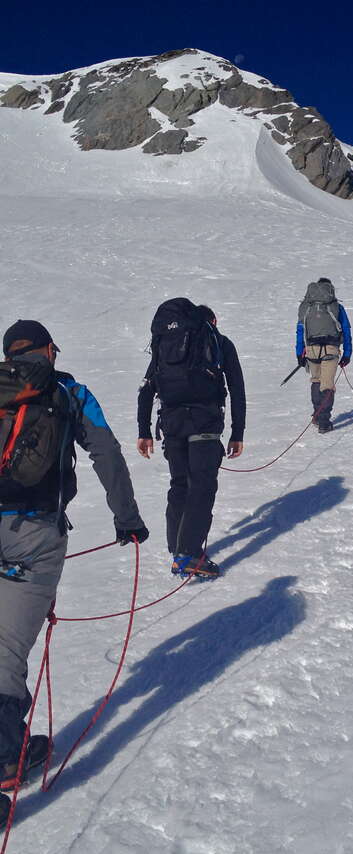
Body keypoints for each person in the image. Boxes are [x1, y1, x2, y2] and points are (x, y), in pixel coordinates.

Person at [0, 319, 147, 825]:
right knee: (7, 649)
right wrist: (126, 517)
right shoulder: (69, 391)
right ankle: (4, 758)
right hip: (35, 536)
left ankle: (8, 748)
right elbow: (105, 451)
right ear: (47, 351)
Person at [137, 299, 245, 579]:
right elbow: (237, 388)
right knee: (202, 486)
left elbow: (147, 388)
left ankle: (178, 549)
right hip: (204, 422)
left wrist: (144, 430)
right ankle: (188, 555)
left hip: (172, 423)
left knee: (180, 484)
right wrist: (238, 433)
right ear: (211, 322)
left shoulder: (167, 345)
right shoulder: (220, 342)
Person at [296, 277, 352, 434]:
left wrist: (298, 352)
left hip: (311, 349)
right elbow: (346, 329)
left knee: (316, 380)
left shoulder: (306, 307)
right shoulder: (336, 307)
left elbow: (300, 330)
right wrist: (347, 353)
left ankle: (317, 414)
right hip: (331, 349)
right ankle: (324, 421)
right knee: (327, 384)